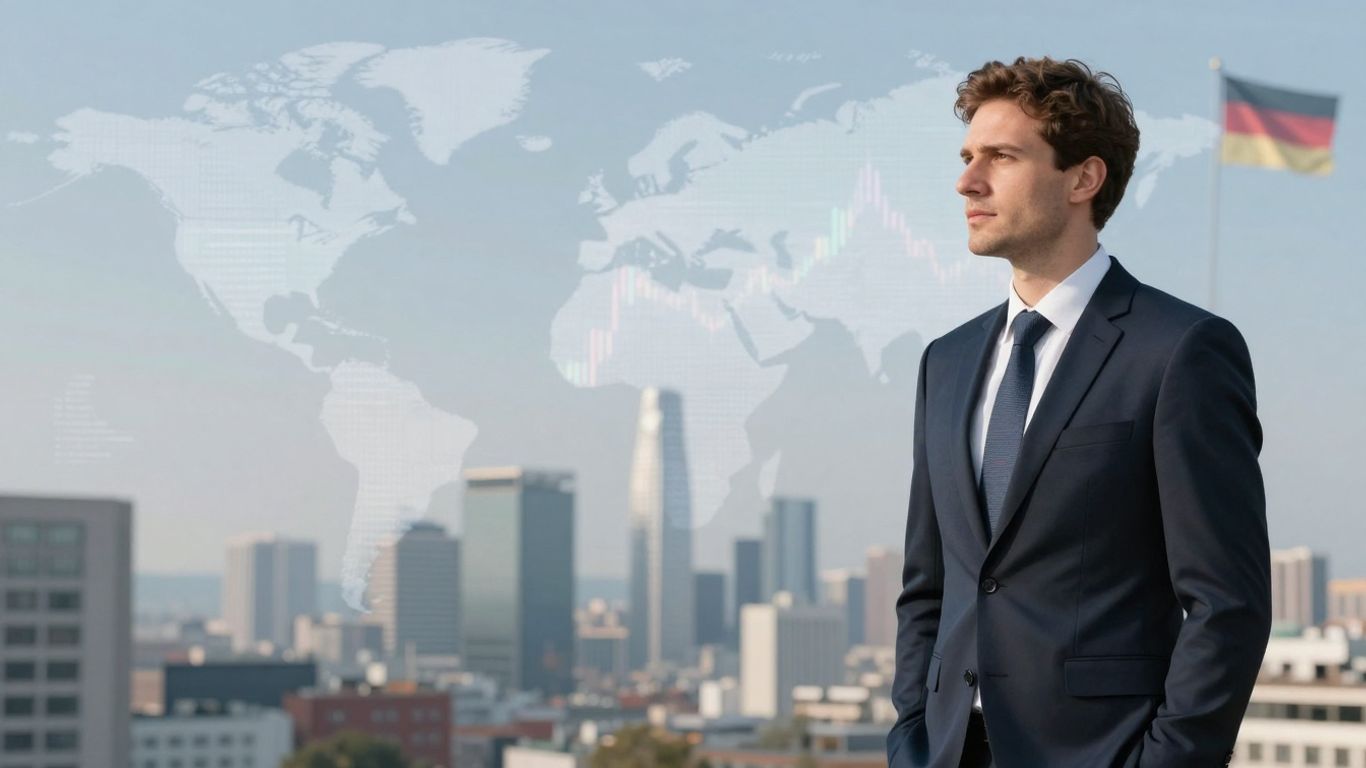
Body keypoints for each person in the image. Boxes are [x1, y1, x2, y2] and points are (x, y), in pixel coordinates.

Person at [885, 57, 1271, 768]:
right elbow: (928, 587)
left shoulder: (1180, 350)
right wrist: (911, 737)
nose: (967, 181)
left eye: (1001, 157)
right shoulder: (946, 361)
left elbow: (1227, 604)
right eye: (969, 157)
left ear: (1083, 179)